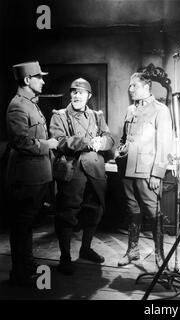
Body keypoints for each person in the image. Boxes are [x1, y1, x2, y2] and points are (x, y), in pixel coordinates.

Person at [50, 78, 114, 275]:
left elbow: (110, 138)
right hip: (73, 170)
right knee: (67, 214)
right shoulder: (59, 116)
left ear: (89, 96)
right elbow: (59, 141)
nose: (76, 95)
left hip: (95, 169)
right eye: (74, 92)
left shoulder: (96, 115)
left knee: (95, 210)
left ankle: (86, 249)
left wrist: (102, 143)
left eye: (81, 92)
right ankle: (65, 257)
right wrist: (88, 142)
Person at [5, 61, 59, 286]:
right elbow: (20, 142)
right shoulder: (18, 106)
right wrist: (48, 144)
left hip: (37, 176)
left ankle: (26, 263)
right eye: (39, 77)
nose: (43, 81)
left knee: (27, 224)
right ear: (27, 80)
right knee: (21, 225)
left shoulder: (31, 104)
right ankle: (19, 272)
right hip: (26, 177)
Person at [115, 72, 173, 268]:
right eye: (130, 86)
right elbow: (124, 137)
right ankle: (132, 251)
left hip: (147, 171)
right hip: (127, 169)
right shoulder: (130, 109)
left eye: (134, 86)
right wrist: (118, 152)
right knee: (132, 210)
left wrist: (157, 173)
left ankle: (159, 254)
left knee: (153, 212)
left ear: (147, 87)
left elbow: (165, 144)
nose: (130, 89)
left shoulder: (160, 110)